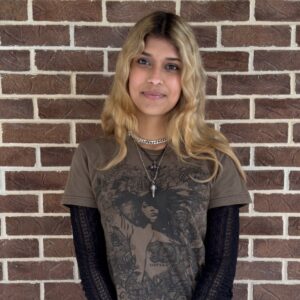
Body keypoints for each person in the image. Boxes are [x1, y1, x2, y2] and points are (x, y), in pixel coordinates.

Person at [62, 11, 251, 300]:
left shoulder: (215, 161)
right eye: (144, 61)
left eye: (171, 67)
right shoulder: (92, 157)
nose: (155, 78)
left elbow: (220, 270)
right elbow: (92, 267)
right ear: (127, 68)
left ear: (186, 78)